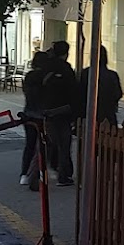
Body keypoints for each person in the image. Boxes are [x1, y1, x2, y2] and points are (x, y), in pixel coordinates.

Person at [41, 41, 79, 186]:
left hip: (47, 111)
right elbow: (73, 91)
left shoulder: (46, 67)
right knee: (64, 145)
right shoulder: (66, 69)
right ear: (66, 53)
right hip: (63, 111)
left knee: (51, 142)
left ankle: (46, 170)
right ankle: (63, 174)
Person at [20, 50, 50, 189]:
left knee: (29, 145)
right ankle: (42, 173)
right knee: (45, 145)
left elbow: (26, 92)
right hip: (43, 114)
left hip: (29, 113)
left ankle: (24, 174)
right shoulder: (47, 77)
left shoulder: (29, 76)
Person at [81, 46, 124, 129]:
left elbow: (80, 92)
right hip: (108, 113)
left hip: (89, 114)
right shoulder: (112, 75)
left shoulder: (86, 73)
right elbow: (118, 94)